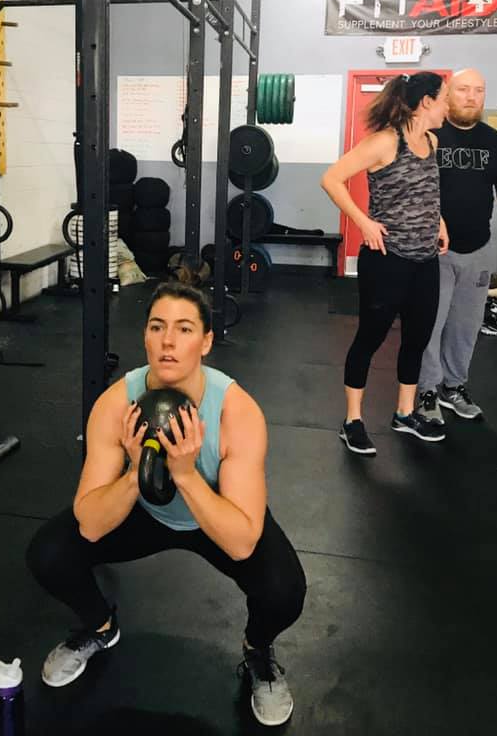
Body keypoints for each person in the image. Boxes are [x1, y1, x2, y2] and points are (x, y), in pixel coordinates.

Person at [26, 281, 306, 728]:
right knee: (49, 553)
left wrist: (186, 474)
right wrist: (135, 473)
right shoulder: (116, 404)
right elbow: (91, 524)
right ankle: (100, 627)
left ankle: (257, 650)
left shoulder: (236, 413)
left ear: (206, 341)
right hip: (144, 510)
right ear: (145, 336)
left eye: (184, 329)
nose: (168, 341)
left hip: (212, 511)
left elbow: (240, 543)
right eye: (157, 327)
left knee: (284, 591)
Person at [321, 72, 449, 457]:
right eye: (444, 98)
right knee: (370, 338)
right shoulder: (385, 142)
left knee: (417, 338)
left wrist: (439, 222)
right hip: (386, 260)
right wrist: (363, 222)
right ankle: (352, 421)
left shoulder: (432, 141)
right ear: (426, 102)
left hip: (425, 260)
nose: (447, 106)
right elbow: (331, 179)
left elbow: (426, 191)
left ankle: (404, 413)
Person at [415, 68, 497, 423]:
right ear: (448, 94)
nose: (471, 97)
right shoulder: (429, 135)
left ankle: (454, 386)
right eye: (464, 89)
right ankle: (426, 390)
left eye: (478, 90)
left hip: (479, 247)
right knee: (430, 323)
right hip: (434, 248)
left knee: (466, 325)